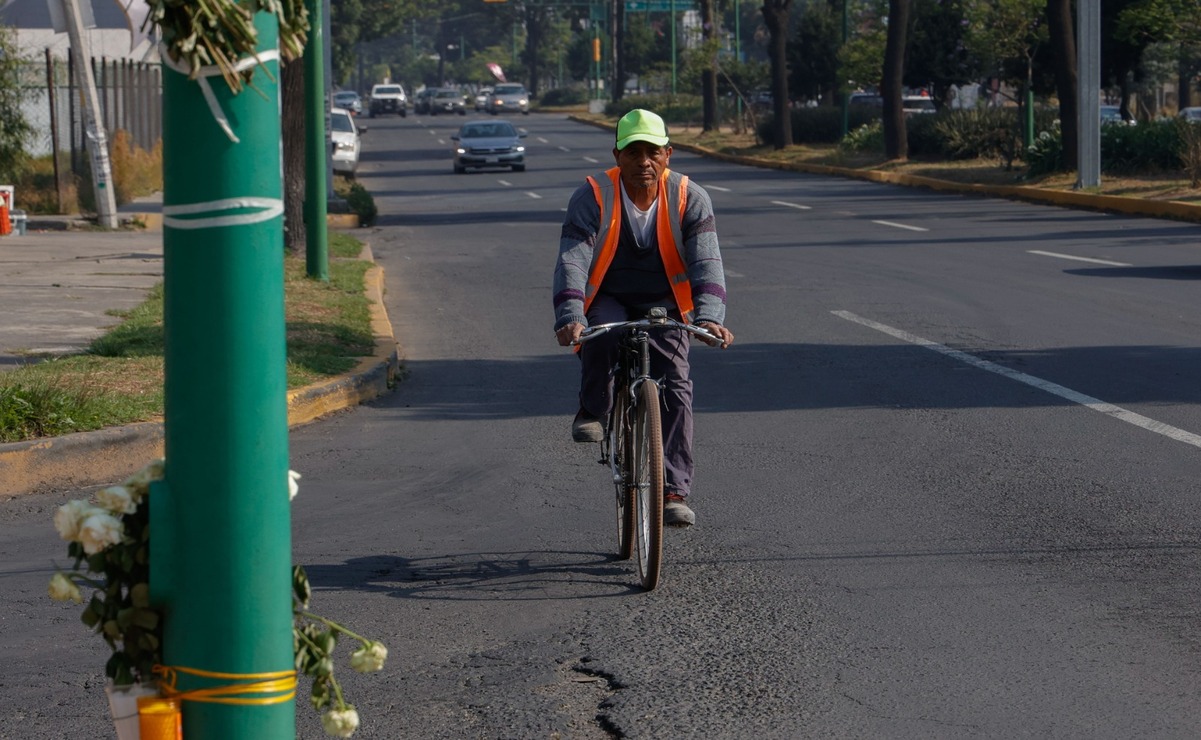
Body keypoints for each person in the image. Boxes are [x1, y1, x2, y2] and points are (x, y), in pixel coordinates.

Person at [552, 108, 734, 528]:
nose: (643, 162)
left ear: (668, 154)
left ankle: (673, 492)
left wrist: (708, 318)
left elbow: (707, 262)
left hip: (666, 303)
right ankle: (593, 410)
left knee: (677, 386)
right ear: (617, 156)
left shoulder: (690, 197)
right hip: (609, 295)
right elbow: (572, 260)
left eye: (653, 152)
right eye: (634, 153)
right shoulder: (593, 194)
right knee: (600, 337)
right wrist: (571, 314)